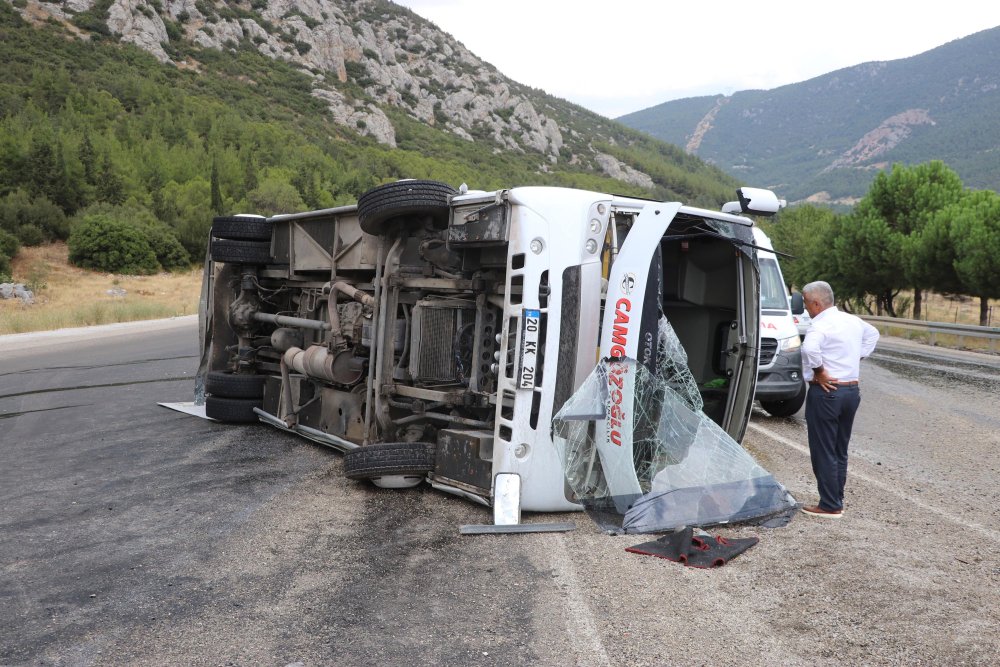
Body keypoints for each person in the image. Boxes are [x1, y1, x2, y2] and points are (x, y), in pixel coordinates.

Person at [798, 281, 880, 518]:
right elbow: (873, 335)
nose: (806, 308)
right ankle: (837, 498)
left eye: (806, 303)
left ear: (816, 303)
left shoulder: (820, 324)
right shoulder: (852, 320)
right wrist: (857, 358)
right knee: (839, 449)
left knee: (823, 449)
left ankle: (830, 504)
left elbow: (809, 350)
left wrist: (819, 372)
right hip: (850, 391)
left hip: (826, 392)